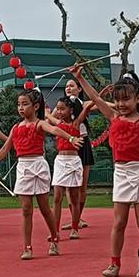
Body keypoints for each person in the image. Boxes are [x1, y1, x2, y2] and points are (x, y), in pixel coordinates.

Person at [69, 68, 139, 277]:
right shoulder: (113, 116)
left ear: (137, 99)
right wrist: (80, 78)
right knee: (119, 222)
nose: (122, 104)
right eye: (118, 100)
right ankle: (114, 263)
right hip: (121, 173)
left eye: (126, 99)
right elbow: (96, 98)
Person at [0, 88, 81, 260]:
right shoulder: (16, 127)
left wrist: (70, 138)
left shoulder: (40, 124)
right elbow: (5, 148)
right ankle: (27, 247)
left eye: (25, 104)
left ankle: (54, 238)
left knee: (44, 208)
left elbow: (54, 130)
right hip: (23, 167)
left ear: (36, 106)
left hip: (38, 165)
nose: (21, 108)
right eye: (19, 104)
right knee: (26, 209)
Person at [48, 95, 91, 239]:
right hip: (60, 161)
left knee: (74, 198)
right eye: (58, 109)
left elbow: (88, 107)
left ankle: (74, 228)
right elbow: (46, 115)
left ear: (71, 110)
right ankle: (55, 231)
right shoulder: (57, 123)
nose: (59, 112)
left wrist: (100, 95)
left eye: (62, 109)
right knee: (57, 197)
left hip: (73, 161)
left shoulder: (76, 123)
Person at [62, 77, 98, 229]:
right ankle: (74, 219)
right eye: (66, 86)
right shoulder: (62, 107)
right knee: (69, 186)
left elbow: (100, 102)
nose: (68, 88)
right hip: (68, 145)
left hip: (83, 143)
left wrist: (118, 105)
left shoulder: (83, 104)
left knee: (82, 186)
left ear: (79, 89)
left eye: (71, 85)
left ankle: (78, 219)